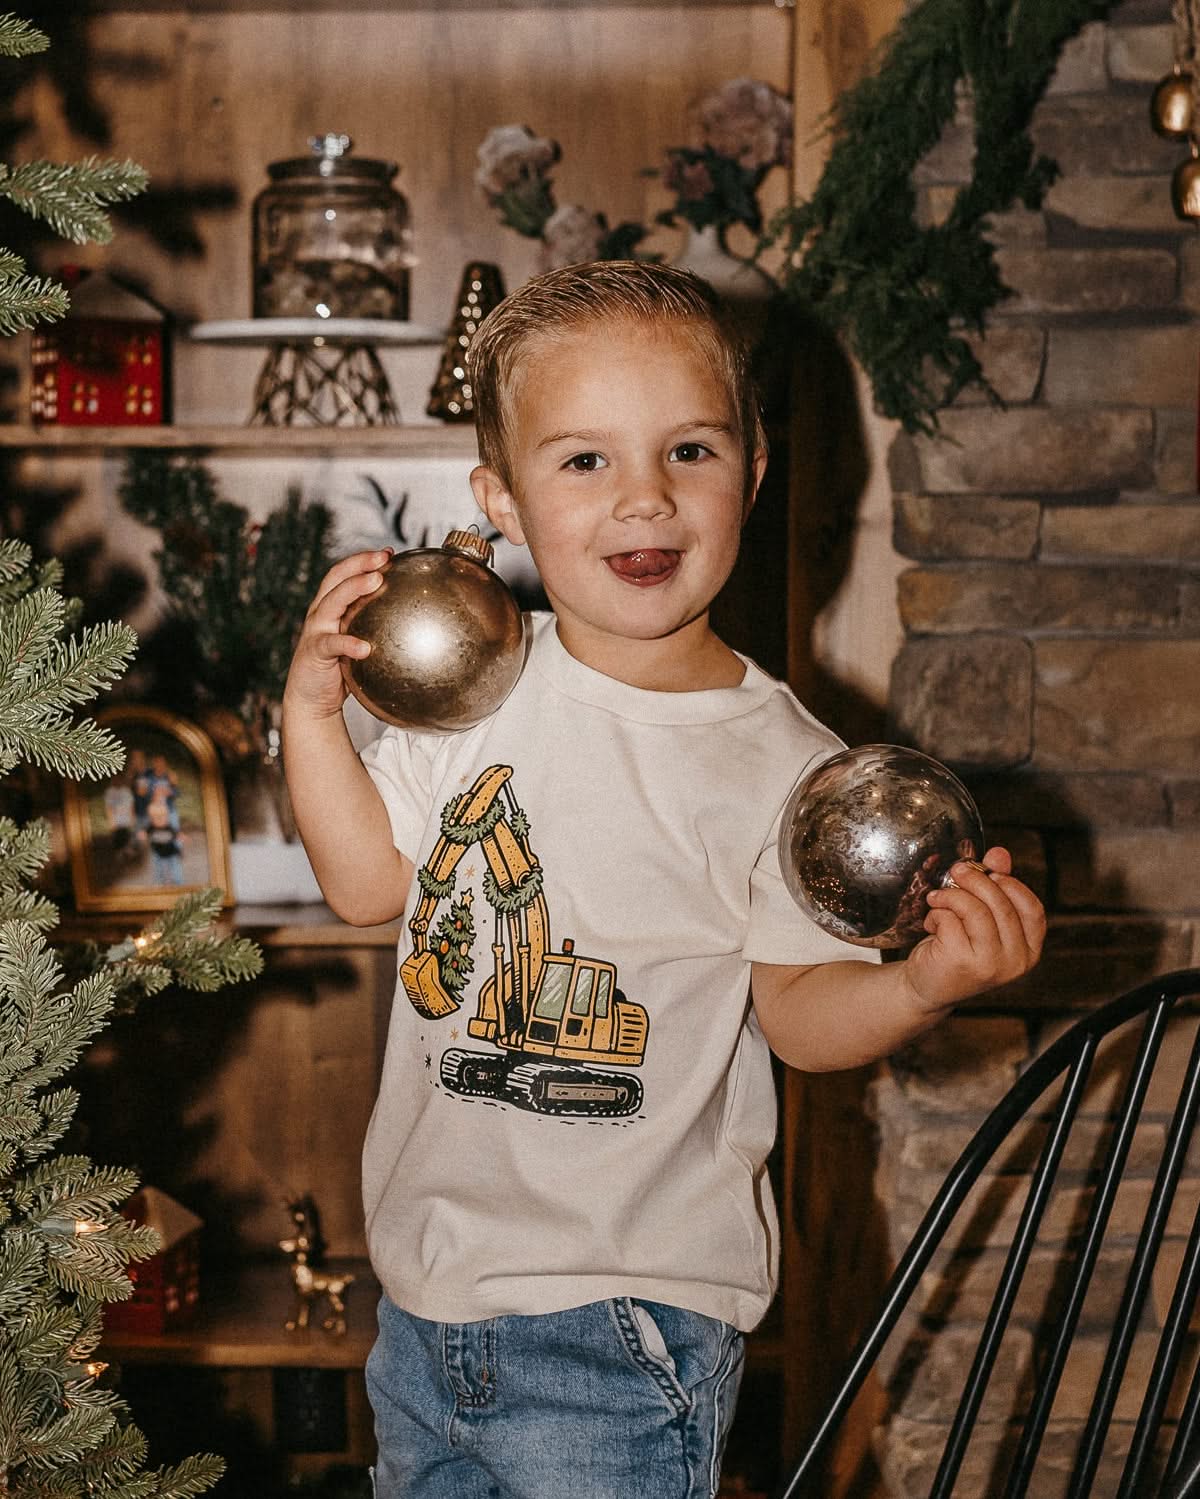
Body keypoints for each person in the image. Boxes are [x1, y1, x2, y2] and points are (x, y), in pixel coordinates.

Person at [282, 260, 1045, 1499]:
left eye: (688, 450)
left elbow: (799, 1015)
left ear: (750, 472)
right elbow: (368, 885)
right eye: (583, 461)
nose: (644, 497)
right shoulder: (474, 684)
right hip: (424, 1305)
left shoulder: (787, 768)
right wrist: (313, 717)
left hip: (625, 1327)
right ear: (504, 500)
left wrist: (924, 982)